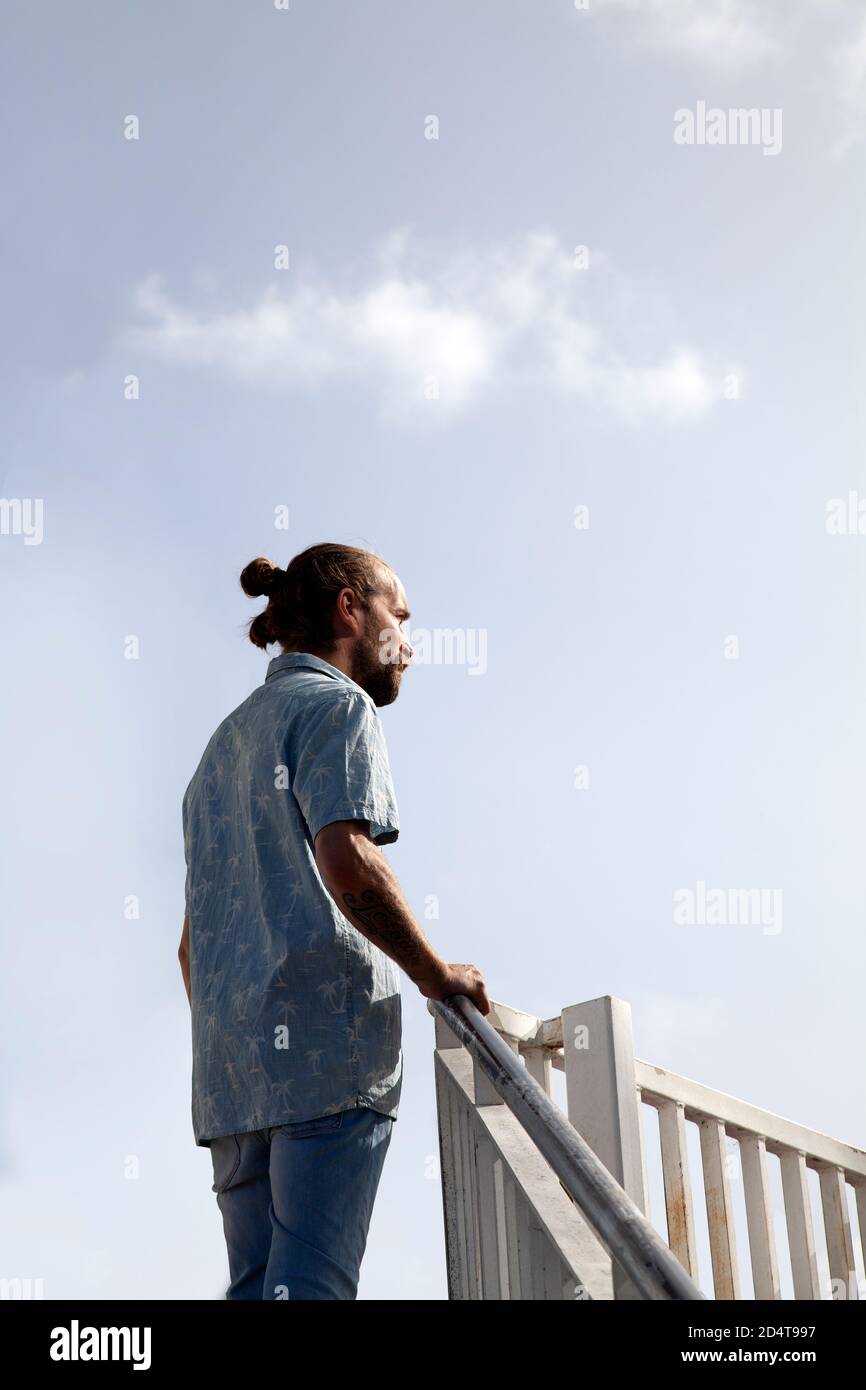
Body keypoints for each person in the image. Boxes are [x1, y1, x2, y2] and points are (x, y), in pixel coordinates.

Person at [177, 542, 490, 1300]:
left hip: (232, 1076)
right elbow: (348, 862)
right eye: (400, 615)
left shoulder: (218, 750)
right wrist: (434, 972)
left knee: (257, 1289)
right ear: (351, 607)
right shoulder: (336, 705)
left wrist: (242, 1031)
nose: (409, 642)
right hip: (328, 1051)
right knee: (312, 1288)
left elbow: (192, 950)